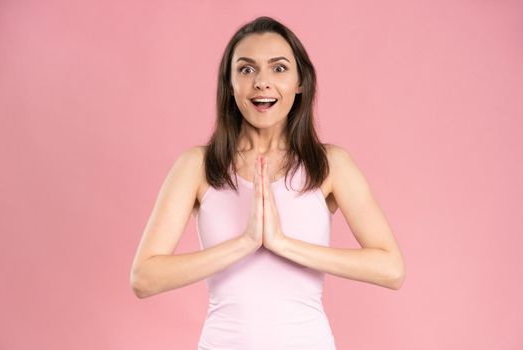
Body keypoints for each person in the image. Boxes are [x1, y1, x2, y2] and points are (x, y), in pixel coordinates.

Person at [130, 16, 405, 350]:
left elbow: (391, 269)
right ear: (230, 85)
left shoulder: (330, 164)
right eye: (247, 70)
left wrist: (282, 243)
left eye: (278, 69)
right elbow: (144, 278)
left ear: (300, 82)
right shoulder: (197, 166)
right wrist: (245, 243)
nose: (262, 82)